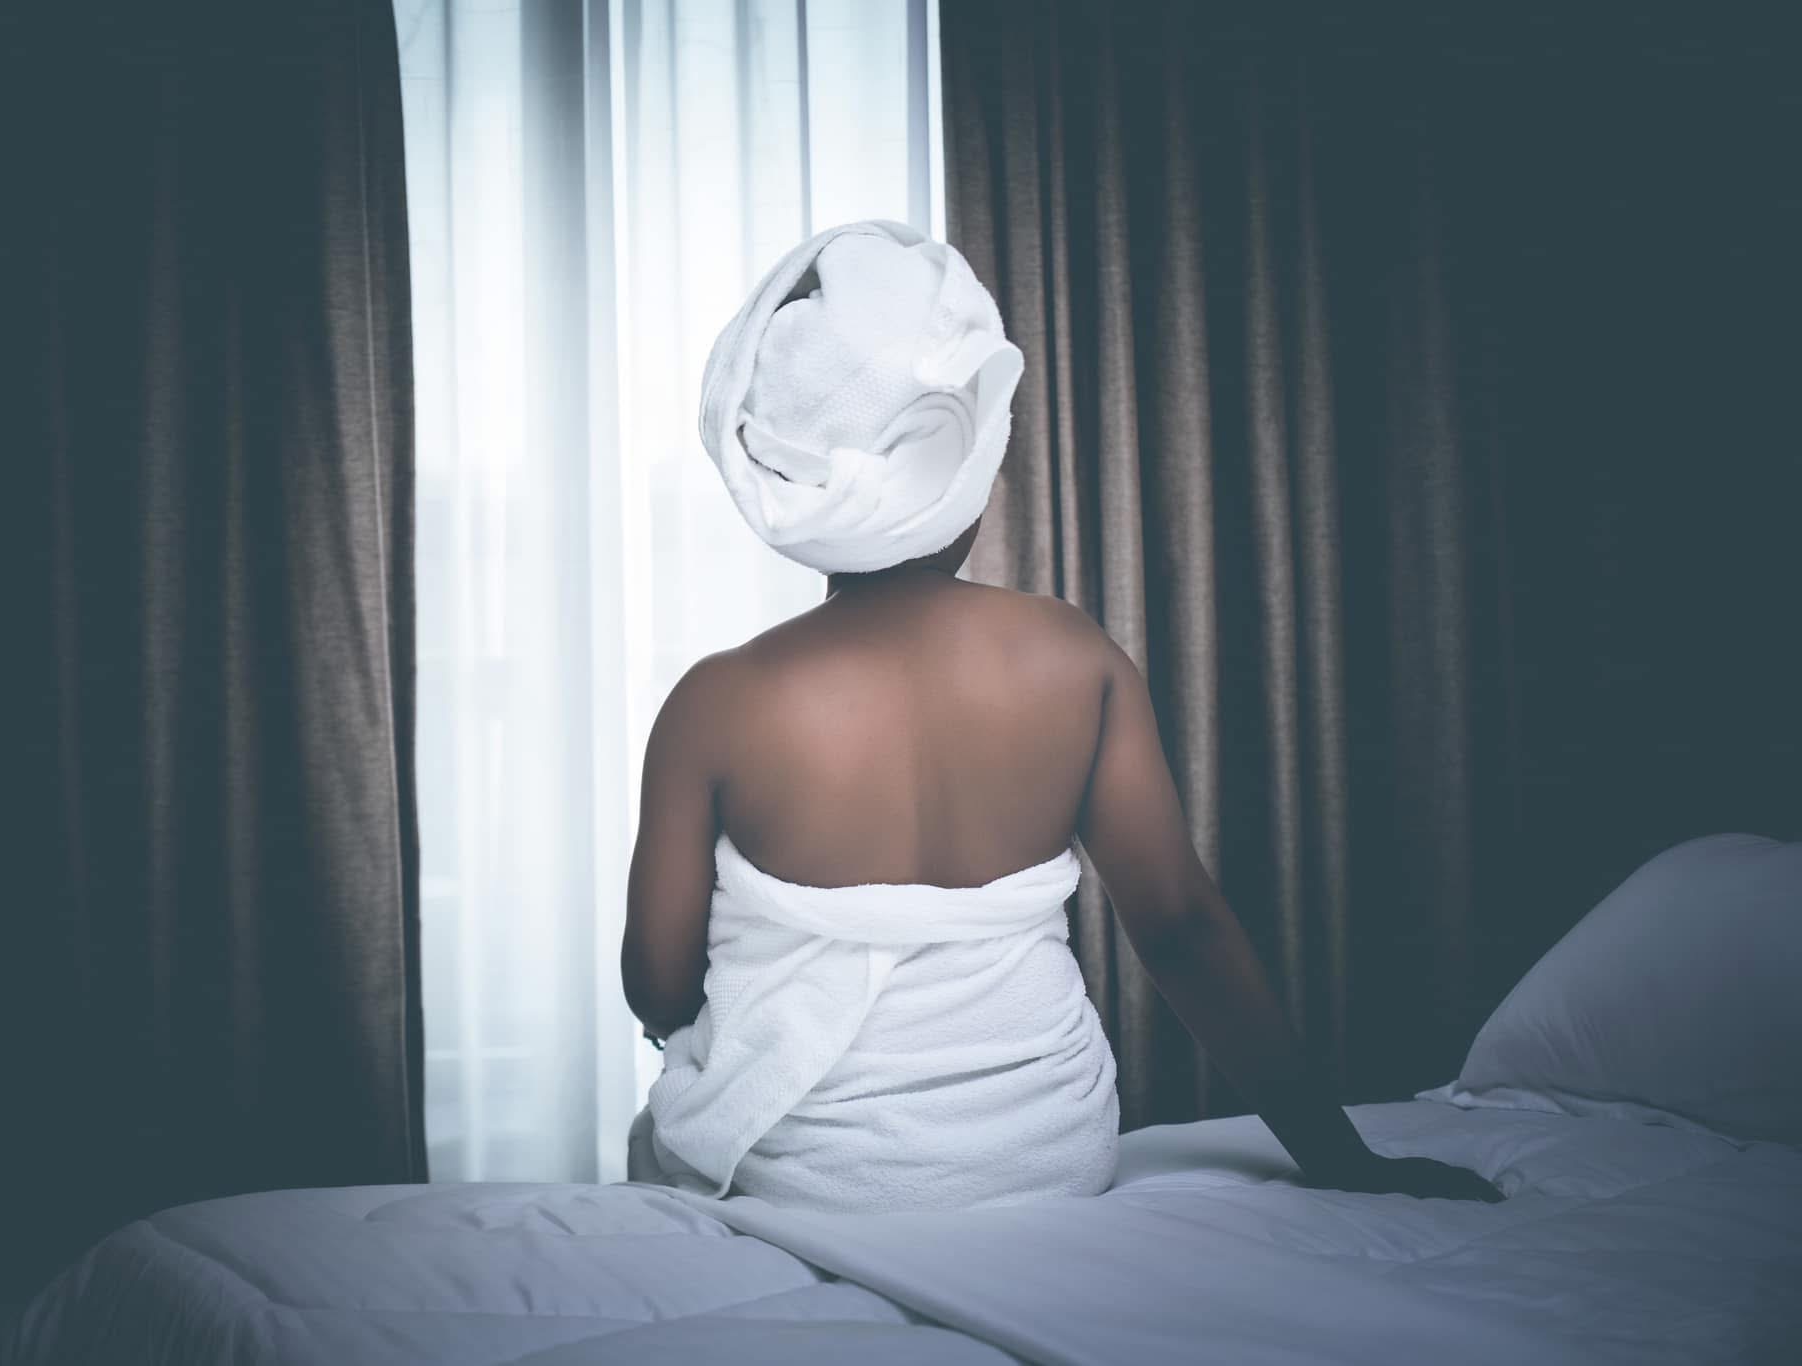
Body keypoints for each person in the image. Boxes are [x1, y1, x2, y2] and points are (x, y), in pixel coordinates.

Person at [621, 221, 1502, 1211]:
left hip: (809, 1171)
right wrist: (1342, 1160)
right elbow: (1180, 929)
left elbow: (658, 987)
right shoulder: (1072, 658)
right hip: (1043, 1153)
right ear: (966, 468)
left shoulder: (715, 703)